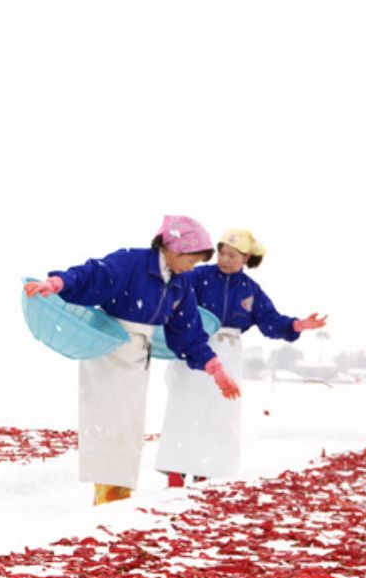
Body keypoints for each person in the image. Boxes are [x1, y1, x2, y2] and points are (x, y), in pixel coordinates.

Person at [24, 216, 239, 505]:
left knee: (129, 428)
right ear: (175, 249)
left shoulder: (179, 285)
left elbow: (188, 333)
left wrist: (215, 368)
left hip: (139, 356)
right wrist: (57, 282)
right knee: (108, 424)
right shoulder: (132, 263)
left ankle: (118, 495)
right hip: (109, 349)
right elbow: (93, 274)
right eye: (192, 260)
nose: (193, 267)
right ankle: (108, 496)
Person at [155, 228, 327, 485]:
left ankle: (208, 472)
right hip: (195, 344)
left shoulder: (250, 290)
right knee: (185, 409)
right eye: (222, 253)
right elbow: (172, 292)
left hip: (229, 351)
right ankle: (176, 473)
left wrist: (298, 325)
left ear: (246, 258)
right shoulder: (198, 276)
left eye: (232, 255)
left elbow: (271, 321)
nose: (224, 259)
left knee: (220, 414)